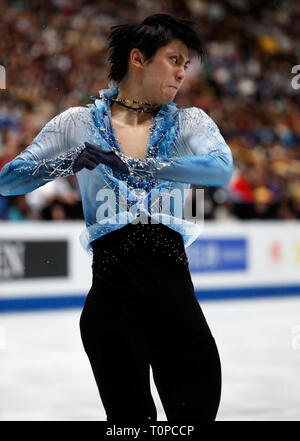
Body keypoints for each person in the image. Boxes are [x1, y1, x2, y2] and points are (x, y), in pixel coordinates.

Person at [0, 13, 233, 422]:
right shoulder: (78, 123)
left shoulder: (187, 123)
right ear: (138, 59)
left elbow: (220, 168)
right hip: (111, 308)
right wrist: (68, 162)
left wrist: (146, 166)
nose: (182, 73)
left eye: (186, 65)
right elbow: (8, 181)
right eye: (174, 60)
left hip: (176, 307)